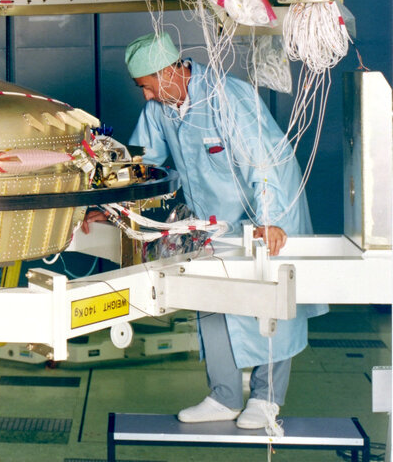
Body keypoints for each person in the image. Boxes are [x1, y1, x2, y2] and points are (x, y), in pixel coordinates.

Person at [85, 32, 325, 429]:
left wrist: (271, 218)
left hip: (266, 213)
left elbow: (264, 161)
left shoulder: (229, 98)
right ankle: (225, 395)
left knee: (271, 302)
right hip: (213, 222)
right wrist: (112, 209)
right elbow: (146, 167)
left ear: (167, 73)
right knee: (210, 297)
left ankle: (266, 399)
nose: (145, 97)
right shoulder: (161, 108)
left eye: (146, 87)